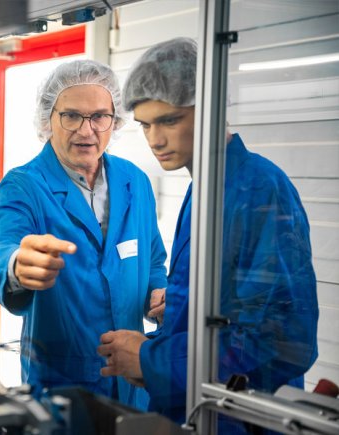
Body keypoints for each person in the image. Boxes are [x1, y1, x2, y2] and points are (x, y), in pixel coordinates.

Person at [97, 37, 319, 432]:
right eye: (146, 124)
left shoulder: (258, 189)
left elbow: (281, 340)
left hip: (240, 419)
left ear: (212, 107)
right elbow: (234, 304)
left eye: (169, 120)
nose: (155, 140)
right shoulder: (206, 184)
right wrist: (184, 304)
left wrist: (150, 360)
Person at [0, 59, 168, 410]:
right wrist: (16, 263)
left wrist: (159, 293)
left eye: (99, 117)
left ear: (115, 120)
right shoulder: (25, 184)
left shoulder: (134, 180)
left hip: (132, 379)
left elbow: (152, 260)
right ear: (49, 119)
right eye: (72, 116)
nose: (86, 130)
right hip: (62, 385)